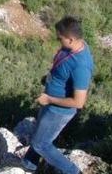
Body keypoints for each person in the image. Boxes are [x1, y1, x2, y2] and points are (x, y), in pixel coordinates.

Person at [22, 17, 94, 174]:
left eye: (59, 38)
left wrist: (49, 99)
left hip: (59, 111)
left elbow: (78, 102)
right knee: (39, 135)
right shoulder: (72, 48)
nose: (57, 40)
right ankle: (28, 164)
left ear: (70, 39)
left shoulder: (81, 66)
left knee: (42, 144)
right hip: (50, 104)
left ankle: (72, 171)